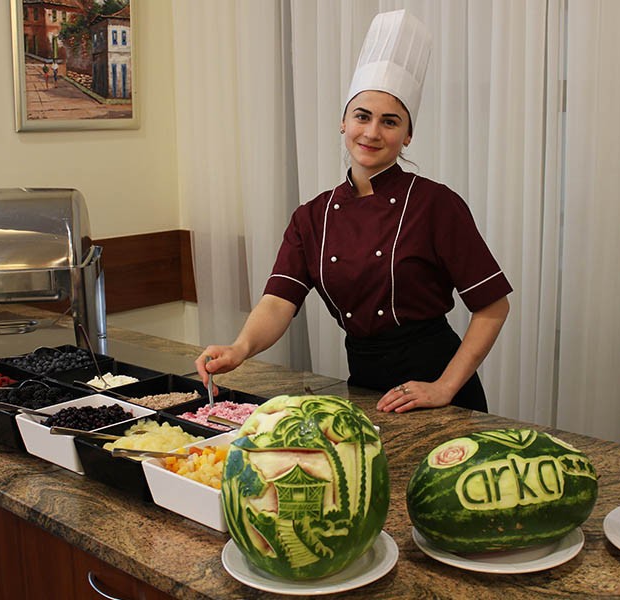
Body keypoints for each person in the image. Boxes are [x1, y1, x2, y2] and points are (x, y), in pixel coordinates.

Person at [195, 10, 511, 414]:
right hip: (364, 389)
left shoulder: (435, 204)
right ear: (343, 123)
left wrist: (445, 387)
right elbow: (278, 302)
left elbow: (493, 305)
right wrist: (240, 348)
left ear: (407, 135)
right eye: (362, 116)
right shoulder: (312, 216)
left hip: (436, 390)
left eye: (390, 121)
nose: (372, 132)